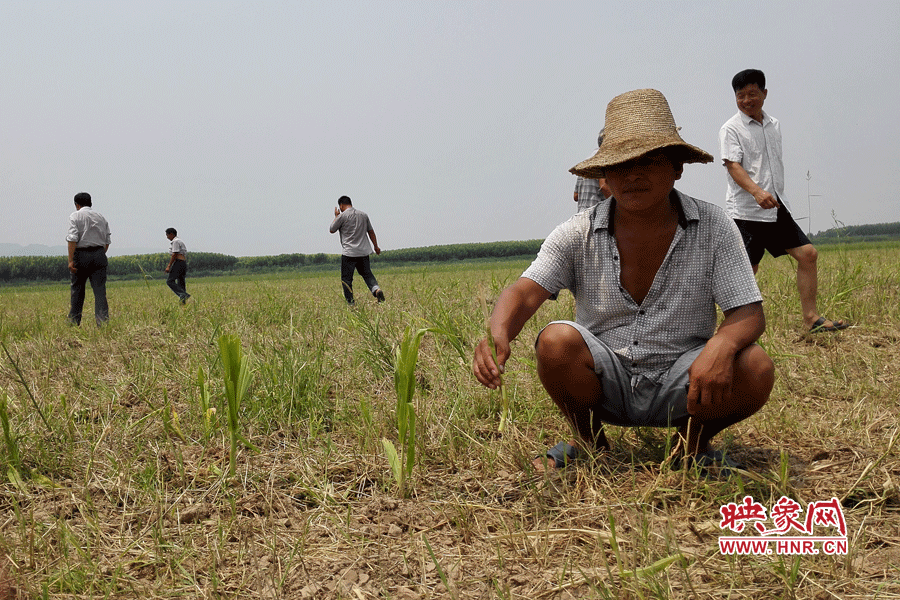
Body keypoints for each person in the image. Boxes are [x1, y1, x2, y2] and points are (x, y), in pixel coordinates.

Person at [473, 89, 774, 475]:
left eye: (649, 161)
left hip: (687, 378)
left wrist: (721, 345)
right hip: (606, 377)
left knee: (755, 365)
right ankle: (589, 441)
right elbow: (525, 291)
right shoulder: (577, 232)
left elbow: (748, 313)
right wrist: (498, 333)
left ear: (677, 166)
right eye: (619, 165)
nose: (632, 175)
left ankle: (691, 446)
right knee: (556, 341)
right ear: (604, 175)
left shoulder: (714, 226)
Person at [720, 69, 848, 333]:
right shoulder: (731, 128)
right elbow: (733, 166)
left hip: (776, 207)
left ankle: (811, 319)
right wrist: (756, 192)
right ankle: (729, 331)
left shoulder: (773, 125)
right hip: (747, 213)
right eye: (740, 95)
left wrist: (769, 194)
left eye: (752, 94)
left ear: (765, 94)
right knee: (747, 271)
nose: (746, 100)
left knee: (808, 254)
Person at [329, 196, 385, 304]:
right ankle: (376, 289)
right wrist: (376, 246)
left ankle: (351, 303)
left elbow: (332, 229)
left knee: (347, 280)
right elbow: (371, 232)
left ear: (341, 205)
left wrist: (336, 216)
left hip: (349, 253)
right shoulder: (363, 215)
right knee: (367, 274)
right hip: (363, 252)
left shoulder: (342, 216)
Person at [66, 192, 111, 326]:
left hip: (81, 254)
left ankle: (74, 323)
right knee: (100, 291)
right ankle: (102, 323)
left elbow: (72, 239)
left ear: (77, 204)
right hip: (99, 254)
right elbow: (107, 240)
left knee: (77, 290)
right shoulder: (101, 217)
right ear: (90, 203)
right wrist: (99, 254)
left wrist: (70, 260)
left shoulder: (76, 215)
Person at [573, 129, 613, 213]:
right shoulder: (603, 160)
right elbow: (604, 186)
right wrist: (619, 204)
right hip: (595, 214)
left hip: (581, 215)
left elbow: (576, 196)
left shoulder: (586, 162)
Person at [164, 227, 190, 304]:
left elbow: (174, 254)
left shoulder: (175, 242)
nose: (167, 237)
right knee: (181, 283)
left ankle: (183, 295)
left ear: (171, 234)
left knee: (170, 281)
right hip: (183, 263)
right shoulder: (180, 241)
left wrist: (169, 266)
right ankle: (183, 303)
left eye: (167, 235)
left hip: (178, 263)